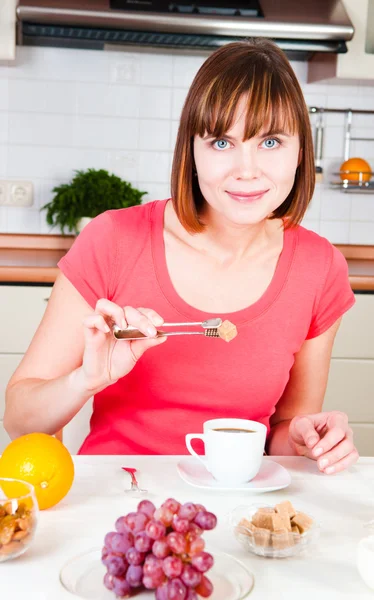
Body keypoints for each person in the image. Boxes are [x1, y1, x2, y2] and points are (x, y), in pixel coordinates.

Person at [5, 39, 358, 474]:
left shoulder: (319, 268)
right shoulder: (114, 240)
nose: (246, 170)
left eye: (270, 142)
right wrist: (87, 379)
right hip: (118, 506)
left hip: (238, 507)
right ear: (191, 151)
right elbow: (19, 419)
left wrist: (307, 438)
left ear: (300, 151)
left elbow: (283, 431)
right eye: (221, 143)